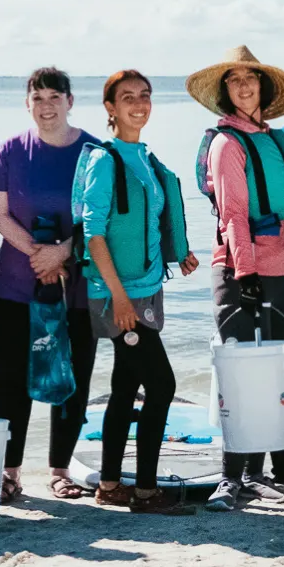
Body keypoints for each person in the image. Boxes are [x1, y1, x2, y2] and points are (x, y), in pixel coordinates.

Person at [72, 70, 200, 515]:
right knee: (162, 385)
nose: (138, 104)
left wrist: (176, 253)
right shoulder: (107, 161)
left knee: (126, 386)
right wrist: (120, 298)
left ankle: (110, 484)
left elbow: (148, 220)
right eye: (127, 98)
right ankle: (145, 491)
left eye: (144, 96)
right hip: (118, 298)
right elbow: (94, 235)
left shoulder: (143, 157)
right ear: (110, 107)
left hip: (145, 288)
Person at [187, 46, 284, 511]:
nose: (242, 86)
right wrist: (245, 272)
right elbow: (234, 214)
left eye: (249, 79)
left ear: (263, 87)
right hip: (243, 272)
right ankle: (229, 477)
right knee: (239, 374)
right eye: (233, 80)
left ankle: (259, 475)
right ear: (225, 91)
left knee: (273, 374)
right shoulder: (225, 143)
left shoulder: (276, 140)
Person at [0, 68, 99, 502]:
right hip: (17, 283)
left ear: (70, 101)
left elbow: (97, 217)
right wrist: (40, 253)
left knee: (71, 377)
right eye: (38, 97)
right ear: (27, 103)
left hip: (77, 286)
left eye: (55, 96)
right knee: (12, 379)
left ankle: (60, 469)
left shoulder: (93, 151)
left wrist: (64, 251)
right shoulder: (11, 150)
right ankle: (9, 471)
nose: (47, 105)